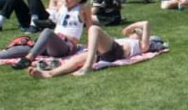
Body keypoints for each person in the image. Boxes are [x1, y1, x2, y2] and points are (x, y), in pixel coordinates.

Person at [28, 20, 158, 79]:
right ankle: (49, 74)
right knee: (75, 61)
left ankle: (88, 67)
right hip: (102, 54)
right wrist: (131, 30)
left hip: (116, 51)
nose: (136, 32)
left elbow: (146, 23)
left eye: (138, 32)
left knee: (93, 29)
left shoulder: (139, 44)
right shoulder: (126, 39)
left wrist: (133, 27)